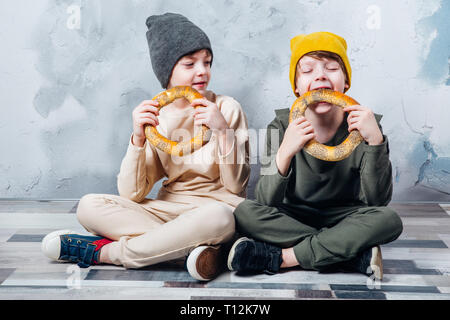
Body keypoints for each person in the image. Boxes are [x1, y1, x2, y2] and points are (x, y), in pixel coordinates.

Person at [41, 12, 250, 282]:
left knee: (220, 219)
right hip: (166, 211)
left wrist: (222, 131)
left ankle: (106, 253)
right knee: (88, 206)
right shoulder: (156, 117)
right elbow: (132, 194)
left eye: (207, 62)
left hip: (216, 209)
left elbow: (236, 187)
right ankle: (191, 250)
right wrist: (138, 139)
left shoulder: (225, 108)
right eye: (190, 64)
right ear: (167, 70)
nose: (203, 71)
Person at [227, 31, 403, 281]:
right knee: (244, 212)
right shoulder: (279, 126)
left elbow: (377, 201)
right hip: (292, 215)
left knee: (390, 220)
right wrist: (285, 151)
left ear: (346, 82)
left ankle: (283, 258)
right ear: (297, 88)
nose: (320, 75)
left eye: (331, 68)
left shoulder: (365, 125)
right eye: (308, 70)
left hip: (346, 216)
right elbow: (266, 201)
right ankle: (347, 252)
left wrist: (375, 142)